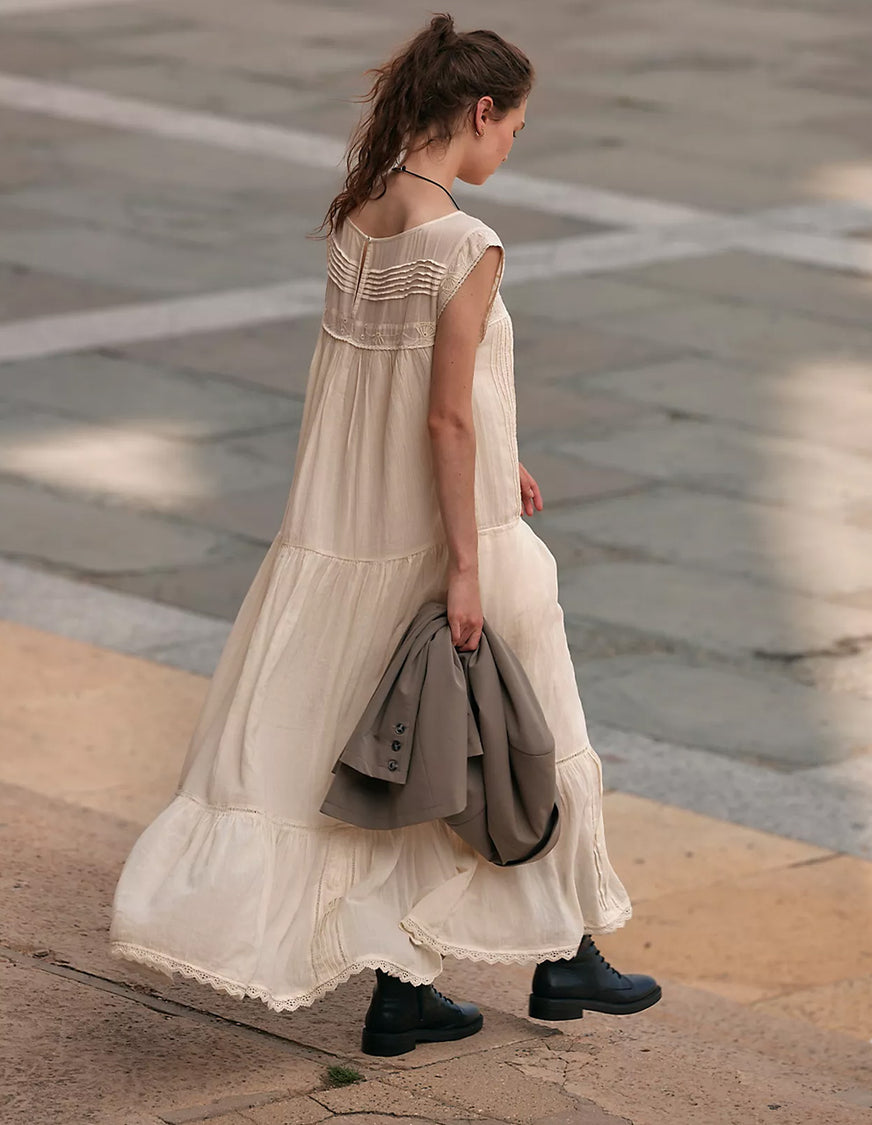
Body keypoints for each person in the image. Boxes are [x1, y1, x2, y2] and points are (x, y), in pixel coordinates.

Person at [108, 12, 661, 1058]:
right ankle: (562, 962)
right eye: (515, 131)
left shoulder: (358, 217)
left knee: (385, 777)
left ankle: (409, 992)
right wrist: (466, 564)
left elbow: (401, 388)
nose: (511, 151)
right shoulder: (467, 243)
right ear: (481, 112)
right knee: (532, 745)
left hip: (350, 537)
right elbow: (442, 411)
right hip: (453, 543)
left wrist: (503, 449)